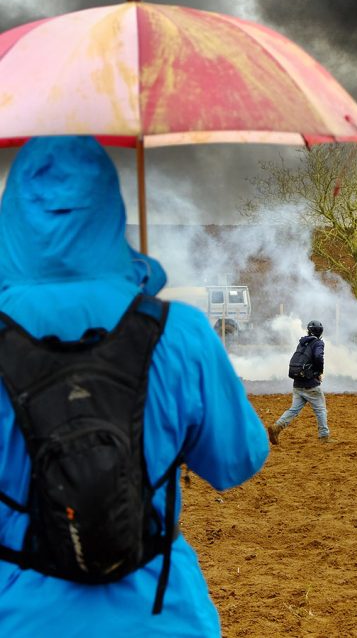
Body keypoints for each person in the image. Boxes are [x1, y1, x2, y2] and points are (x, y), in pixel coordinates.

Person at [0, 136, 268, 635]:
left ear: (11, 214)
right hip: (160, 614)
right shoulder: (179, 331)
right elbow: (237, 461)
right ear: (110, 211)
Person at [268, 320, 331, 444]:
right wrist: (318, 372)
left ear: (308, 330)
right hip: (310, 384)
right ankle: (324, 436)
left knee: (293, 409)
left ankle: (277, 427)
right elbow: (318, 357)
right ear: (320, 332)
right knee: (320, 409)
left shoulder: (302, 343)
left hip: (297, 383)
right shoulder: (318, 343)